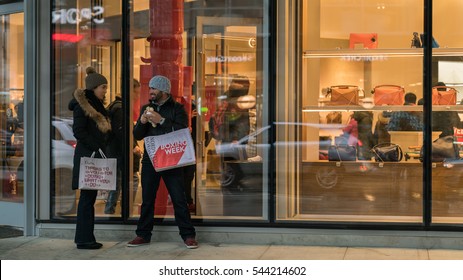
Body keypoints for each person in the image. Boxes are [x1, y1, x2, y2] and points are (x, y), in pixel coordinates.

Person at [127, 75, 198, 249]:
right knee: (147, 199)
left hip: (171, 158)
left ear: (164, 91)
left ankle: (188, 235)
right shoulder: (146, 108)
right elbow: (137, 135)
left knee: (178, 198)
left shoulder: (177, 108)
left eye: (154, 89)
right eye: (150, 88)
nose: (150, 91)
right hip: (151, 159)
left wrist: (162, 121)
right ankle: (143, 235)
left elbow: (182, 130)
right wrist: (142, 122)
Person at [68, 66, 111, 249]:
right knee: (86, 200)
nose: (105, 91)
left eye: (105, 87)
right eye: (103, 87)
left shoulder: (95, 105)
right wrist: (96, 147)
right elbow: (78, 131)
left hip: (92, 156)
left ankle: (86, 238)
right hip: (88, 158)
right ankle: (84, 239)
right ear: (93, 88)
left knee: (89, 199)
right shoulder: (82, 107)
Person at [104, 79, 142, 214]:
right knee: (129, 179)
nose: (138, 96)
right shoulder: (120, 108)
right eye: (136, 92)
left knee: (117, 182)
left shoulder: (115, 105)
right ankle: (125, 210)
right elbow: (121, 131)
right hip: (120, 152)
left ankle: (114, 210)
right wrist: (133, 146)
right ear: (129, 91)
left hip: (114, 150)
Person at [183, 99, 197, 213]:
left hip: (189, 151)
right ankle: (187, 201)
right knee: (187, 177)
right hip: (186, 151)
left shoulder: (195, 119)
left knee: (188, 177)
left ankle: (188, 201)